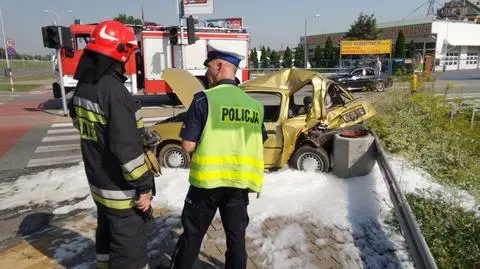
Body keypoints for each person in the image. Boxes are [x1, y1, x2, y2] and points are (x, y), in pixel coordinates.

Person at [169, 44, 268, 269]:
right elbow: (259, 139)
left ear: (220, 66)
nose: (206, 73)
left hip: (206, 184)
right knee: (236, 240)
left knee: (192, 237)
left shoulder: (204, 100)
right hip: (239, 183)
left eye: (209, 67)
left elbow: (187, 145)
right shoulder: (254, 106)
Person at [68, 20, 158, 269]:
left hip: (99, 185)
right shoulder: (115, 92)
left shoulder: (84, 86)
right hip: (122, 192)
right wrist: (144, 186)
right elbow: (125, 151)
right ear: (119, 51)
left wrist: (136, 134)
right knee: (129, 251)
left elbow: (87, 127)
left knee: (106, 238)